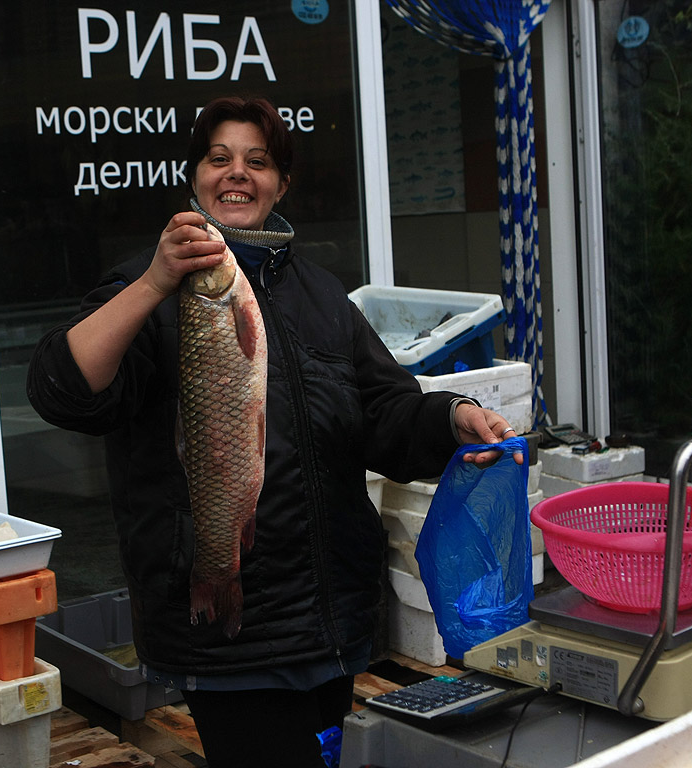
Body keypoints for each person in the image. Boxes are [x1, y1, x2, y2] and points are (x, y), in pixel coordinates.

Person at [27, 95, 521, 767]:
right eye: (219, 158)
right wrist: (155, 279)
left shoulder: (321, 297)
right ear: (195, 178)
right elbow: (62, 390)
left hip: (332, 622)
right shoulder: (148, 288)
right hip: (232, 639)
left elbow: (384, 415)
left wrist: (453, 416)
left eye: (257, 162)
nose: (237, 174)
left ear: (281, 184)